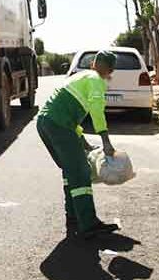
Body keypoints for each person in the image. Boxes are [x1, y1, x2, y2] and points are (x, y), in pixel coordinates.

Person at [37, 50, 120, 239]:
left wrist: (83, 142)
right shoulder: (96, 80)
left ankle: (73, 217)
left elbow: (70, 117)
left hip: (45, 123)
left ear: (93, 64)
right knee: (81, 171)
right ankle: (88, 224)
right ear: (110, 70)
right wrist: (106, 141)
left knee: (71, 170)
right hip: (58, 125)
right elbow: (97, 111)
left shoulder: (82, 76)